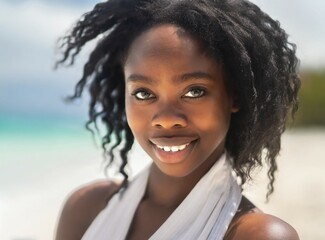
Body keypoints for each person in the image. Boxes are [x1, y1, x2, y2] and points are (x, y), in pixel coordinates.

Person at [55, 0, 301, 239]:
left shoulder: (257, 235)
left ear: (234, 95)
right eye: (143, 93)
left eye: (194, 91)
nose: (167, 119)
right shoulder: (85, 210)